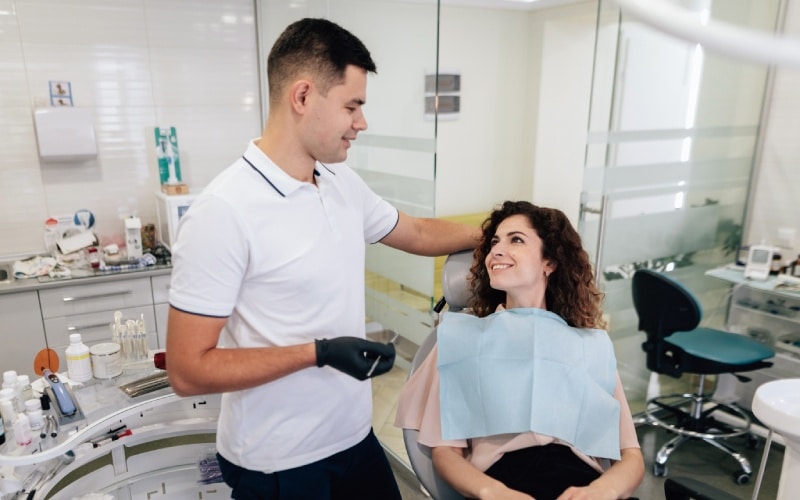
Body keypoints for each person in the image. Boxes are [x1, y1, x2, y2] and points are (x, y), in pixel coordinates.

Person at [165, 17, 480, 500]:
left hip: (353, 439)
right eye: (352, 105)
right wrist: (319, 352)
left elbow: (414, 231)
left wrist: (500, 230)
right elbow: (188, 370)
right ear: (303, 96)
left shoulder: (338, 182)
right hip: (279, 463)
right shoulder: (224, 212)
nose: (362, 122)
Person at [396, 201, 644, 500]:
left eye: (516, 240)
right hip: (503, 482)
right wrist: (495, 493)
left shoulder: (588, 345)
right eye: (494, 242)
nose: (496, 251)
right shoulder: (463, 338)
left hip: (585, 484)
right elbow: (446, 453)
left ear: (549, 262)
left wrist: (604, 490)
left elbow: (631, 456)